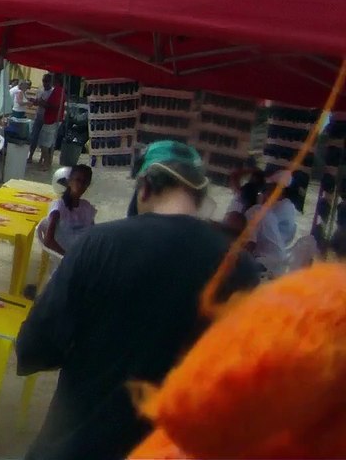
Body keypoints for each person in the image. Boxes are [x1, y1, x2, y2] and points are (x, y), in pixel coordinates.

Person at [15, 140, 261, 460]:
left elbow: (34, 348)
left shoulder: (100, 244)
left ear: (144, 188)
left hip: (77, 446)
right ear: (199, 197)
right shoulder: (241, 269)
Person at [246, 170, 299, 278]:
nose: (265, 193)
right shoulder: (282, 206)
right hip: (275, 257)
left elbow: (252, 240)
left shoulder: (282, 208)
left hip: (268, 259)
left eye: (268, 189)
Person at [40, 165, 96, 255]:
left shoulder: (86, 207)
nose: (81, 185)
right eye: (77, 180)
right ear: (69, 181)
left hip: (82, 253)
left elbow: (92, 234)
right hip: (66, 255)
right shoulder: (59, 207)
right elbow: (48, 241)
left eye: (85, 182)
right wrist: (68, 257)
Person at [30, 74, 64, 168]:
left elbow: (54, 105)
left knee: (45, 143)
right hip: (46, 118)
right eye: (43, 80)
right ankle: (42, 161)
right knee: (39, 139)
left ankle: (46, 162)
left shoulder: (56, 91)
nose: (45, 83)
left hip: (51, 119)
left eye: (47, 81)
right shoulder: (54, 90)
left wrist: (42, 103)